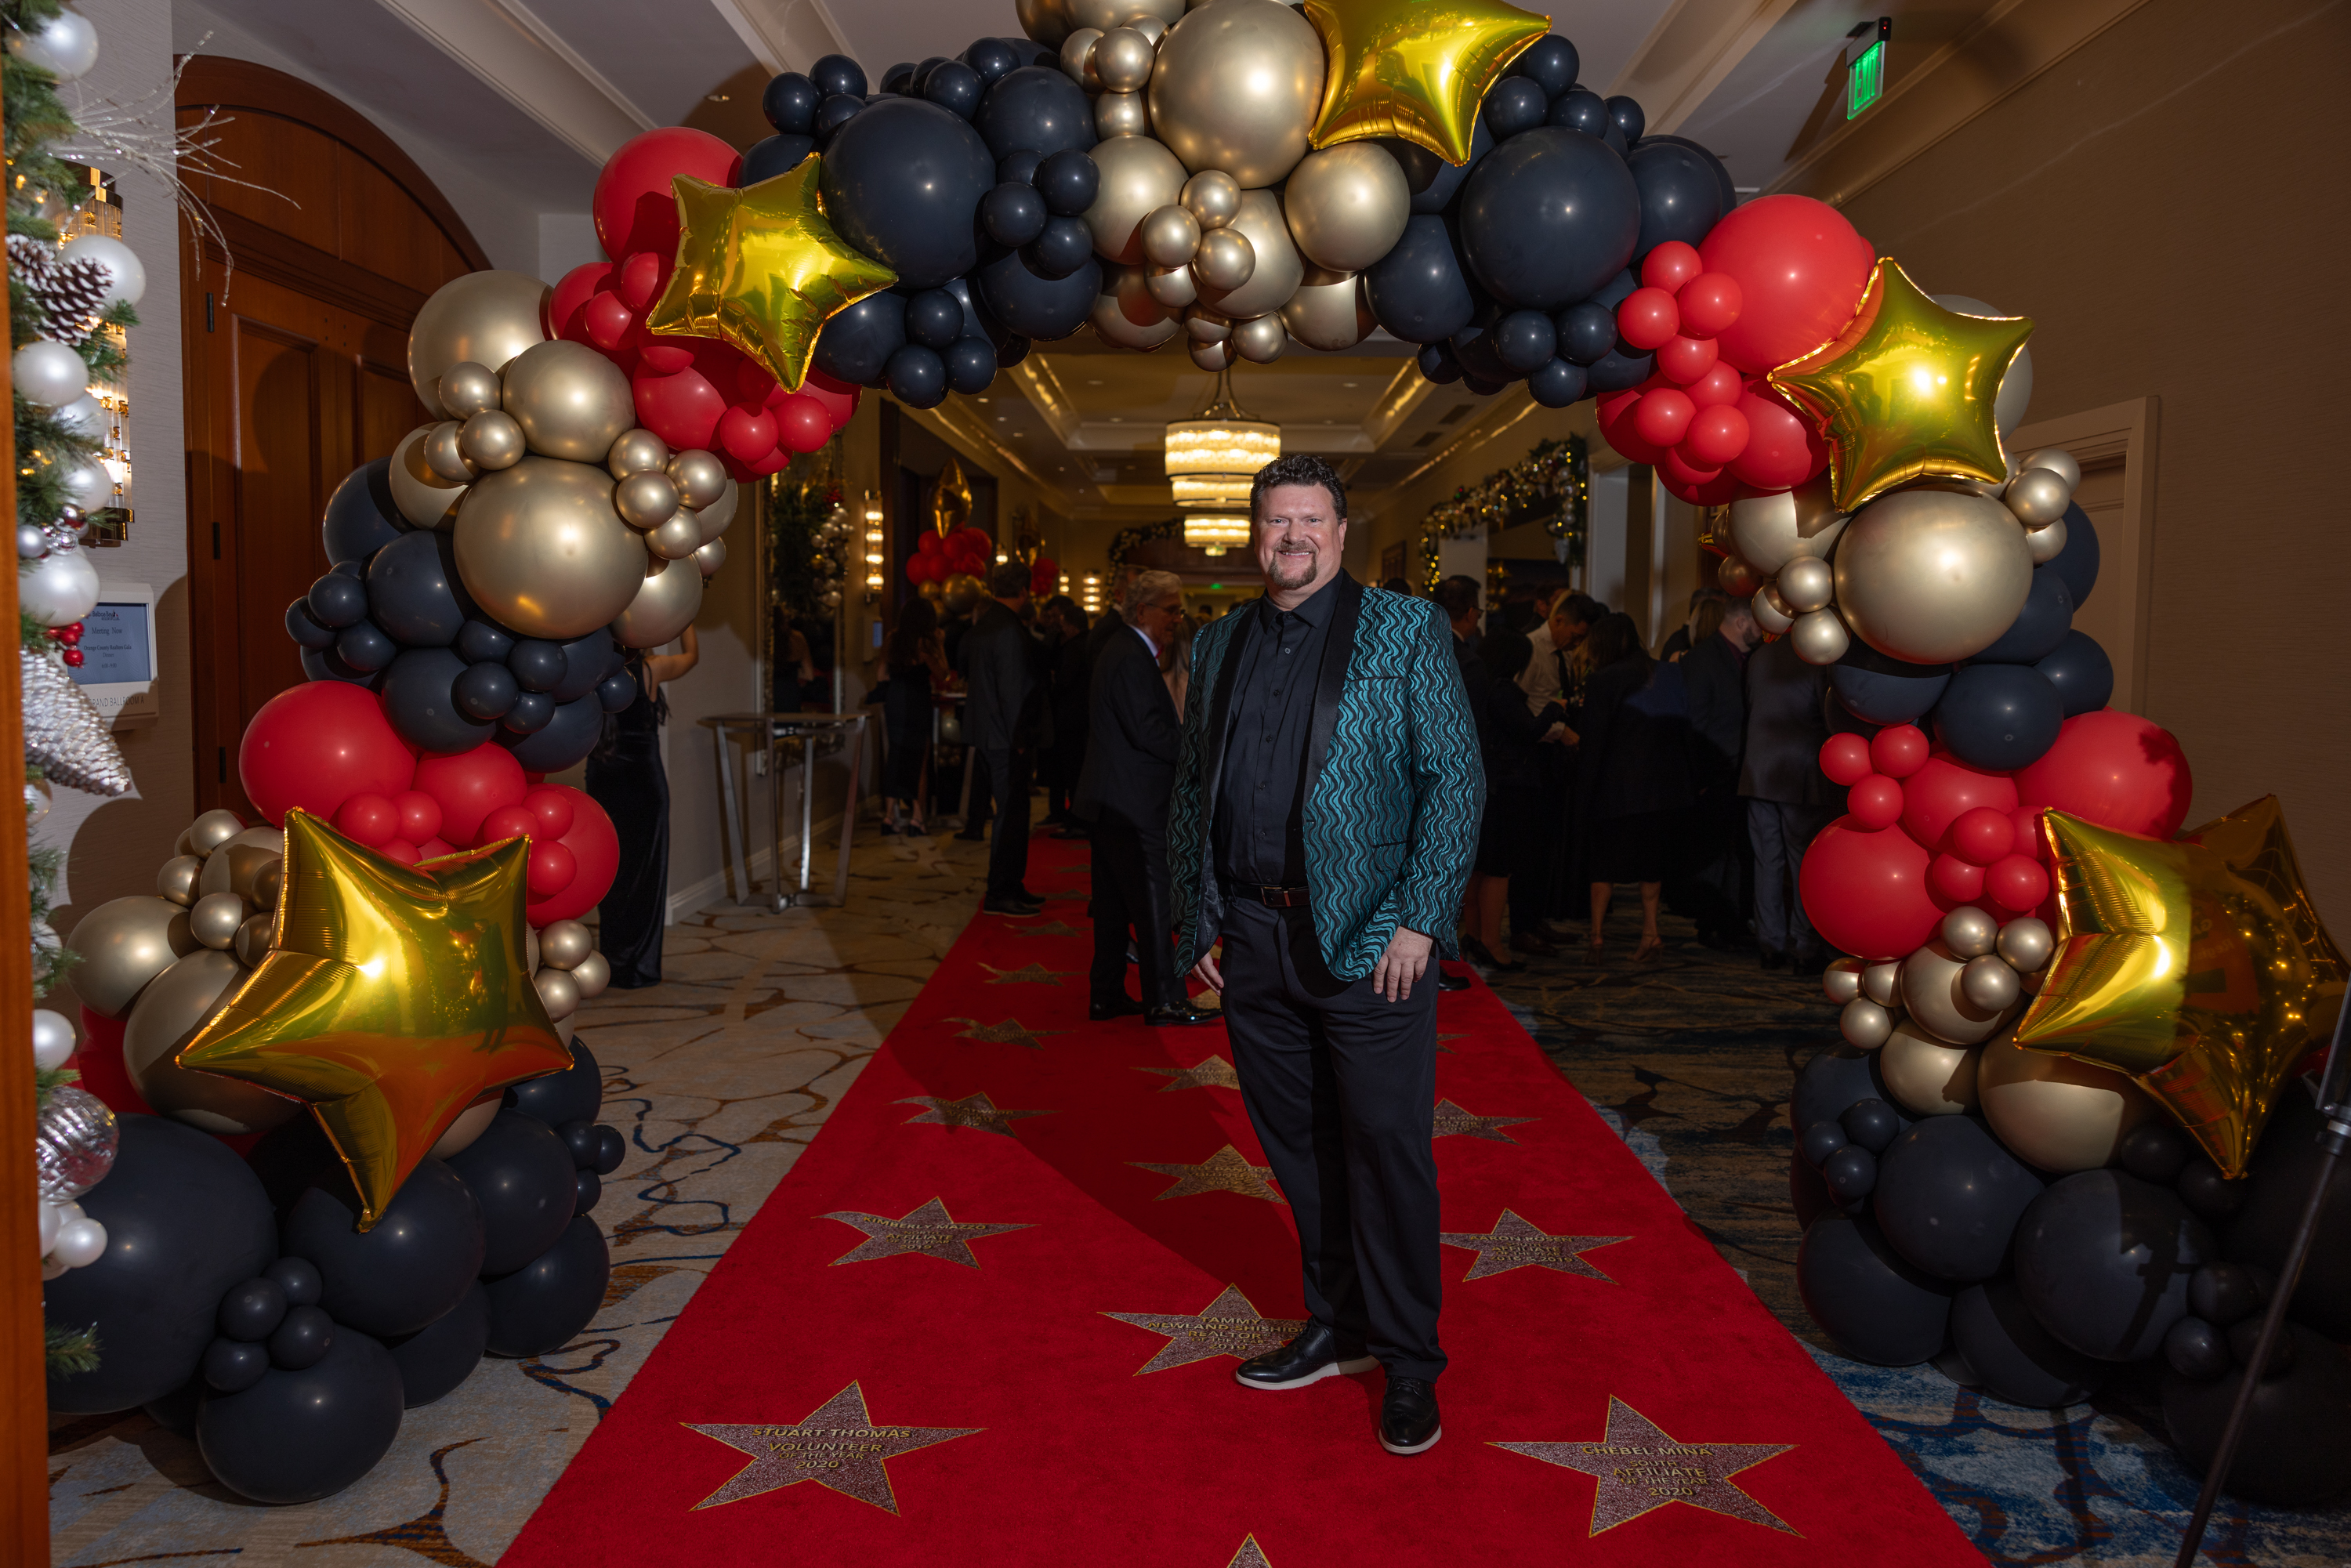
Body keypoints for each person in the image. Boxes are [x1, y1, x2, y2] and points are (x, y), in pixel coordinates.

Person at [1168, 453, 1482, 1458]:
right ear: (1255, 535)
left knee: (1386, 1150)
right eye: (1277, 522)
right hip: (1253, 939)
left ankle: (1409, 1360)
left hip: (1373, 940)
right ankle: (1337, 1322)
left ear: (1341, 533)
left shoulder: (1405, 629)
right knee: (1298, 1146)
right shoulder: (1218, 641)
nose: (1293, 537)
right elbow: (1194, 788)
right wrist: (1199, 919)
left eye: (1310, 521)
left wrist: (1420, 920)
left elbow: (1455, 779)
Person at [1077, 570, 1210, 1027]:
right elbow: (1149, 732)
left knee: (1113, 908)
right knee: (1154, 906)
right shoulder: (1129, 654)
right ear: (1142, 610)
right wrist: (1201, 752)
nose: (1177, 618)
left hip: (1115, 799)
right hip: (1133, 804)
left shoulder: (1126, 650)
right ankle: (1164, 1000)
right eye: (1171, 610)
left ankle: (1107, 994)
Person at [585, 627, 701, 988]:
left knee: (613, 873)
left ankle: (617, 960)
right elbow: (691, 658)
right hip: (644, 785)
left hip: (604, 782)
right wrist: (684, 622)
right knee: (645, 874)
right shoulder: (650, 669)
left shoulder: (588, 675)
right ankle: (638, 966)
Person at [1576, 611, 1692, 965]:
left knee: (1603, 865)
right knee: (1651, 865)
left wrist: (1582, 794)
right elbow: (1685, 728)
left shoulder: (1602, 680)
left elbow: (1593, 742)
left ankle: (1597, 937)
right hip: (1664, 787)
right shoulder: (1670, 673)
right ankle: (1651, 933)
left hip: (1616, 787)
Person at [1463, 625, 1571, 972]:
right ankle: (1491, 944)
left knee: (1478, 870)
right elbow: (1528, 731)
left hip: (1484, 783)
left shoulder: (1476, 683)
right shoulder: (1502, 690)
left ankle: (1473, 939)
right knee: (1498, 870)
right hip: (1506, 787)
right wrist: (1554, 708)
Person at [1741, 630, 1835, 975]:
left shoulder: (1759, 656)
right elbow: (1826, 715)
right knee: (1802, 865)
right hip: (1799, 774)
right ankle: (1804, 948)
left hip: (1758, 772)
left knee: (1766, 862)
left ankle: (1770, 946)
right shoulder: (1815, 658)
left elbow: (1750, 705)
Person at [965, 560, 1048, 914]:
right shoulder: (1009, 629)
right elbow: (1013, 691)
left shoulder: (986, 622)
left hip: (988, 731)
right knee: (1011, 814)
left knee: (1011, 812)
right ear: (1024, 592)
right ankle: (1000, 891)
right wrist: (1020, 738)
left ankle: (1011, 884)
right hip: (1005, 735)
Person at [1679, 596, 1758, 947]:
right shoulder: (1701, 658)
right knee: (1712, 852)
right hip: (1713, 773)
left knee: (1739, 850)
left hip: (1743, 771)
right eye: (1757, 623)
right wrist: (1700, 778)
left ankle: (1732, 920)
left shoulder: (1750, 658)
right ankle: (1712, 921)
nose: (1764, 631)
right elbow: (1693, 725)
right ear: (1741, 622)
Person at [1430, 574, 1487, 994]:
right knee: (1441, 870)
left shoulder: (1412, 642)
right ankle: (1431, 963)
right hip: (1445, 779)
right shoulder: (1465, 659)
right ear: (1470, 613)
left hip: (1419, 777)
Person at [878, 597, 951, 836]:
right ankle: (917, 819)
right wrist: (940, 645)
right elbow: (943, 673)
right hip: (917, 701)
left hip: (895, 700)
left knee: (895, 756)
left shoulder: (892, 639)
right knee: (919, 760)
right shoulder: (926, 643)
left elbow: (881, 675)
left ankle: (889, 816)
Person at [1040, 594, 1090, 827]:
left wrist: (1054, 679)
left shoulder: (1073, 647)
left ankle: (1073, 819)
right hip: (1078, 716)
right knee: (1070, 769)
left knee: (1070, 769)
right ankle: (1070, 816)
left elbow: (1063, 681)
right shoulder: (1088, 643)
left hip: (1068, 717)